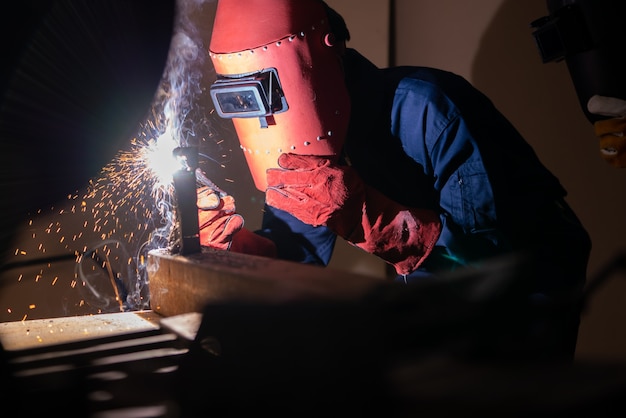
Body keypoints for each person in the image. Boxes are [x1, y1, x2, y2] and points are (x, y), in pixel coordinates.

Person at [197, 0, 591, 360]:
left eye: (270, 90)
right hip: (437, 293)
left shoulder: (430, 108)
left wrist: (372, 220)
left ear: (325, 49)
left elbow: (485, 262)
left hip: (532, 286)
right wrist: (235, 245)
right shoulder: (298, 136)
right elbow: (296, 255)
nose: (265, 117)